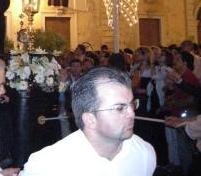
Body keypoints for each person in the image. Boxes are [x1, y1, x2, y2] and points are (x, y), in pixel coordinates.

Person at [21, 67, 156, 176]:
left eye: (132, 104)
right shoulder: (48, 166)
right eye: (119, 108)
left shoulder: (143, 153)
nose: (132, 114)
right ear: (90, 119)